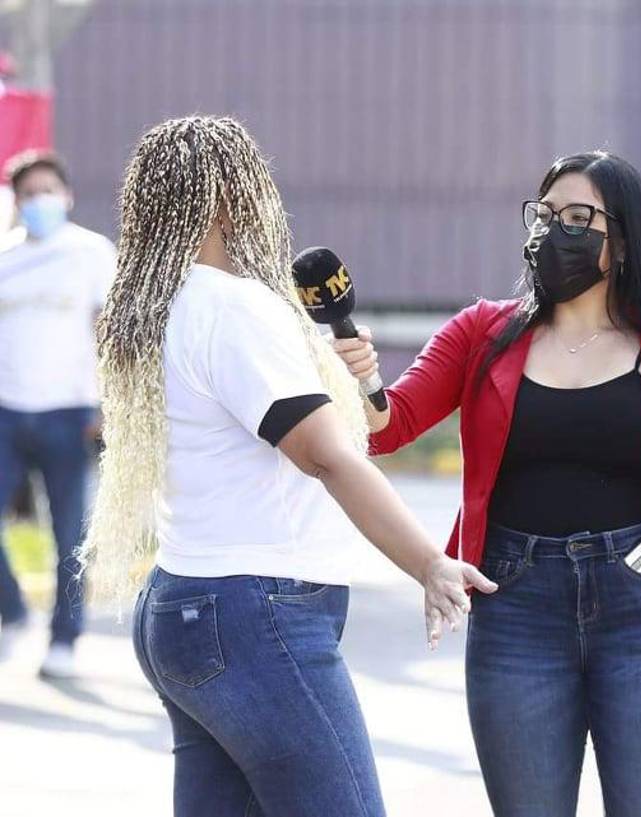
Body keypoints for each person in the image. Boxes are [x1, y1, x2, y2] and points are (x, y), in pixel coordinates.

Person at [79, 116, 495, 817]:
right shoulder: (234, 307)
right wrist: (429, 562)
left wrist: (331, 372)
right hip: (255, 612)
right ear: (221, 198)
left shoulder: (156, 307)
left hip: (185, 601)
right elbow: (326, 455)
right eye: (250, 181)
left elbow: (249, 419)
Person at [331, 151, 641, 817]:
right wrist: (362, 378)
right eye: (546, 216)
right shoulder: (482, 333)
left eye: (579, 218)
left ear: (624, 239)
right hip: (516, 609)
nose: (555, 233)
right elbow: (388, 426)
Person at [0, 150, 115, 677]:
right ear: (17, 202)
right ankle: (13, 611)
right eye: (29, 193)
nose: (39, 200)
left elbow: (108, 335)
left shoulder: (91, 253)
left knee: (68, 533)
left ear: (66, 195)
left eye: (49, 190)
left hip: (70, 413)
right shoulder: (6, 254)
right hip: (7, 410)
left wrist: (106, 404)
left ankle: (64, 639)